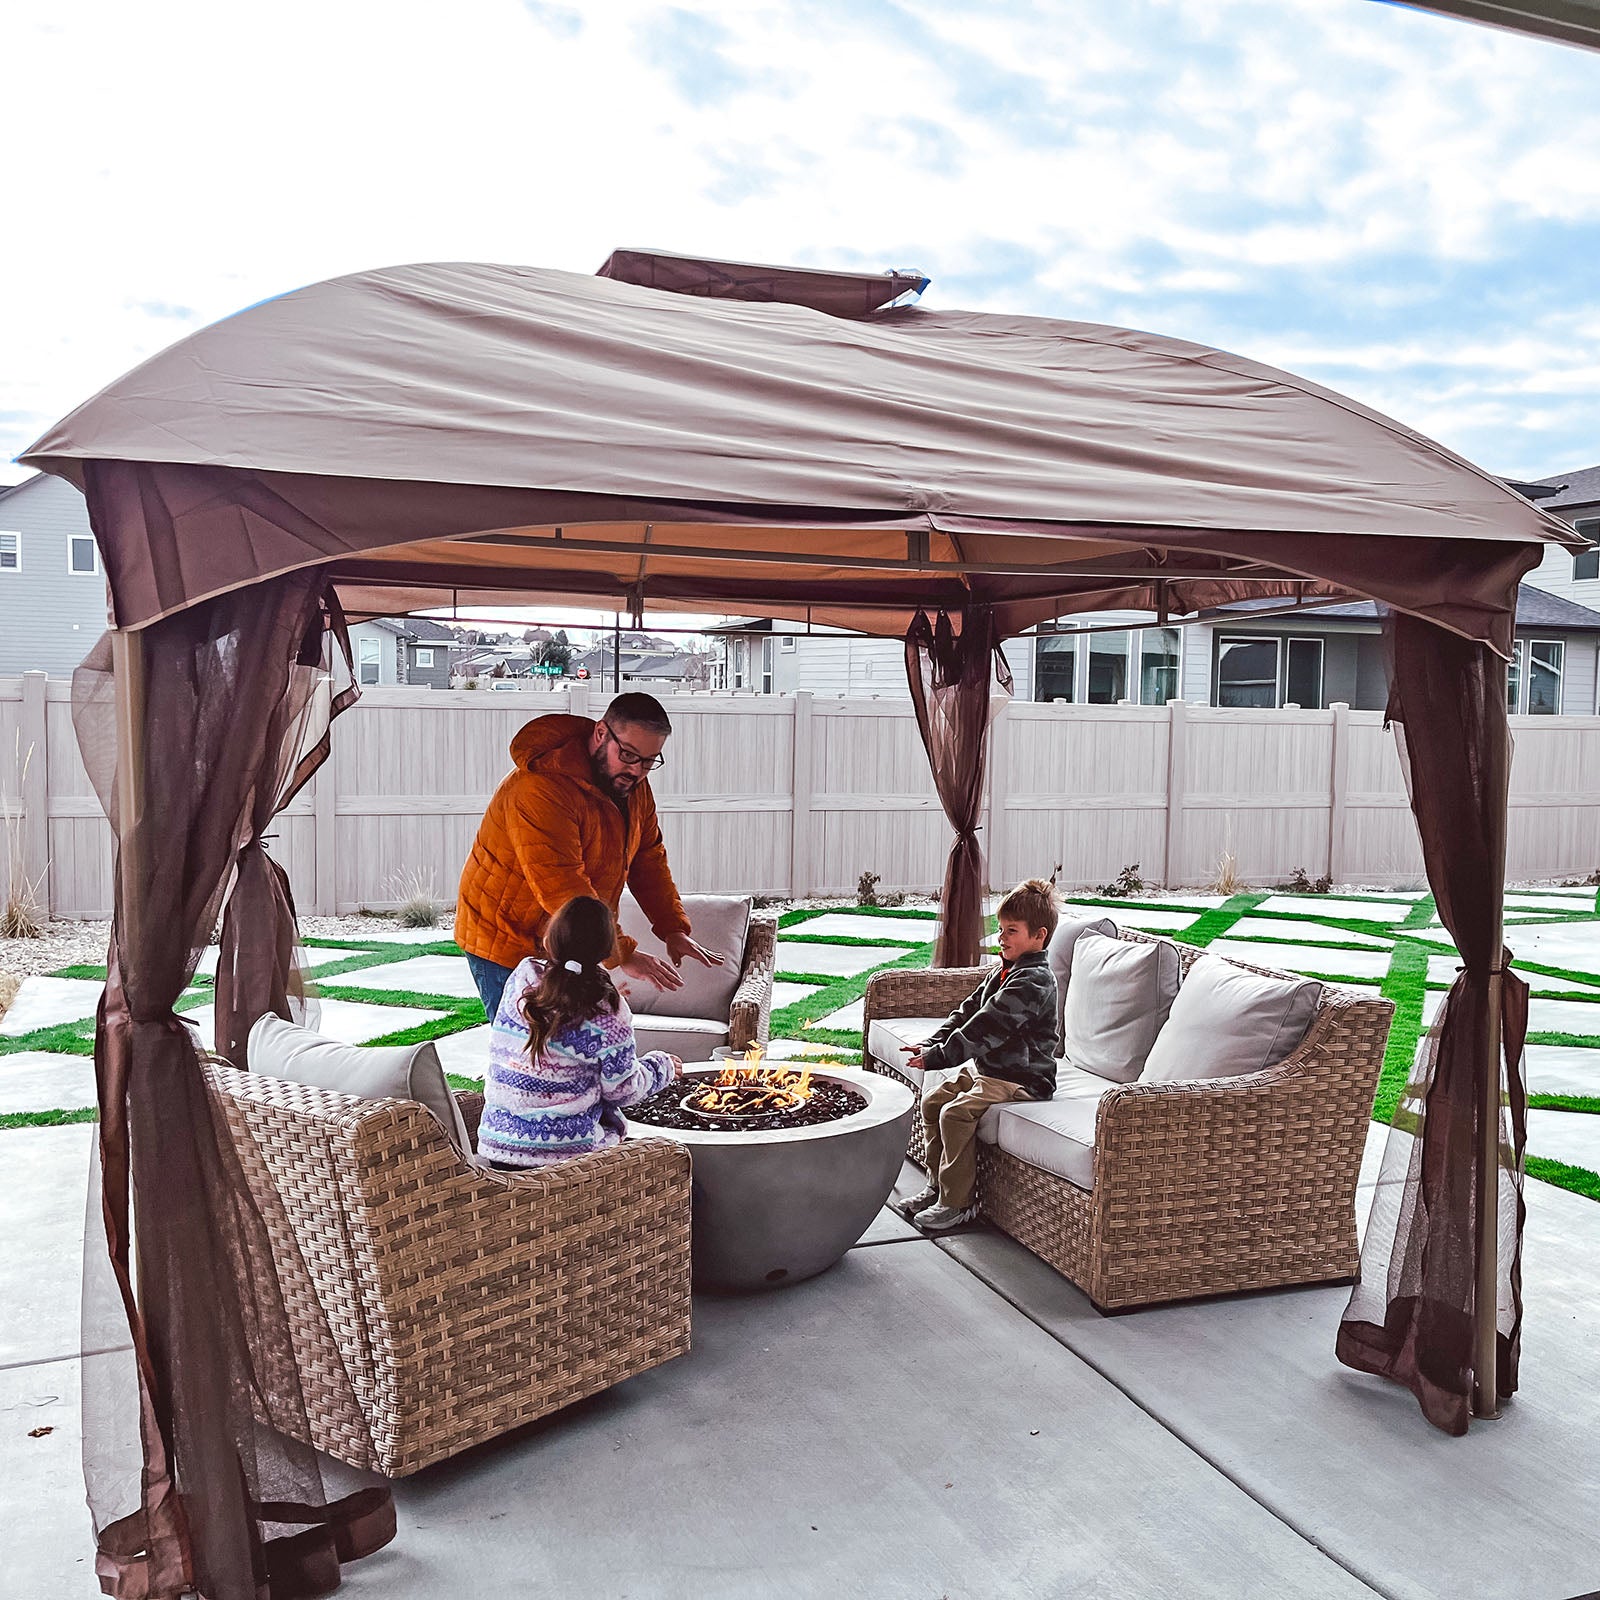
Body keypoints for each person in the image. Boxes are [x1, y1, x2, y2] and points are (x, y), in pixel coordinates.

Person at [456, 690, 723, 1022]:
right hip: (506, 939)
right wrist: (622, 953)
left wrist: (672, 928)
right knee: (524, 1045)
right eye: (628, 754)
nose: (637, 770)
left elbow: (648, 860)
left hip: (565, 938)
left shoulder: (631, 786)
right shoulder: (539, 788)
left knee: (572, 1042)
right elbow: (563, 888)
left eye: (649, 761)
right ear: (600, 733)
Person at [892, 878, 1061, 1232]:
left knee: (955, 1114)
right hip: (993, 1070)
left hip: (1022, 1077)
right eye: (1000, 929)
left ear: (1039, 936)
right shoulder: (1005, 971)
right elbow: (968, 1011)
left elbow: (986, 1026)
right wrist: (931, 1044)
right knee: (933, 1101)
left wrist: (940, 1057)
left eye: (1012, 931)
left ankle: (958, 1203)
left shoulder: (1034, 981)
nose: (1001, 937)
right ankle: (937, 1186)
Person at [477, 895, 682, 1168]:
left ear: (548, 940)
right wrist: (661, 1067)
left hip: (499, 1148)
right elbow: (623, 1090)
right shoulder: (609, 1012)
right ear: (607, 952)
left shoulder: (521, 979)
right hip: (569, 1161)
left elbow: (558, 1007)